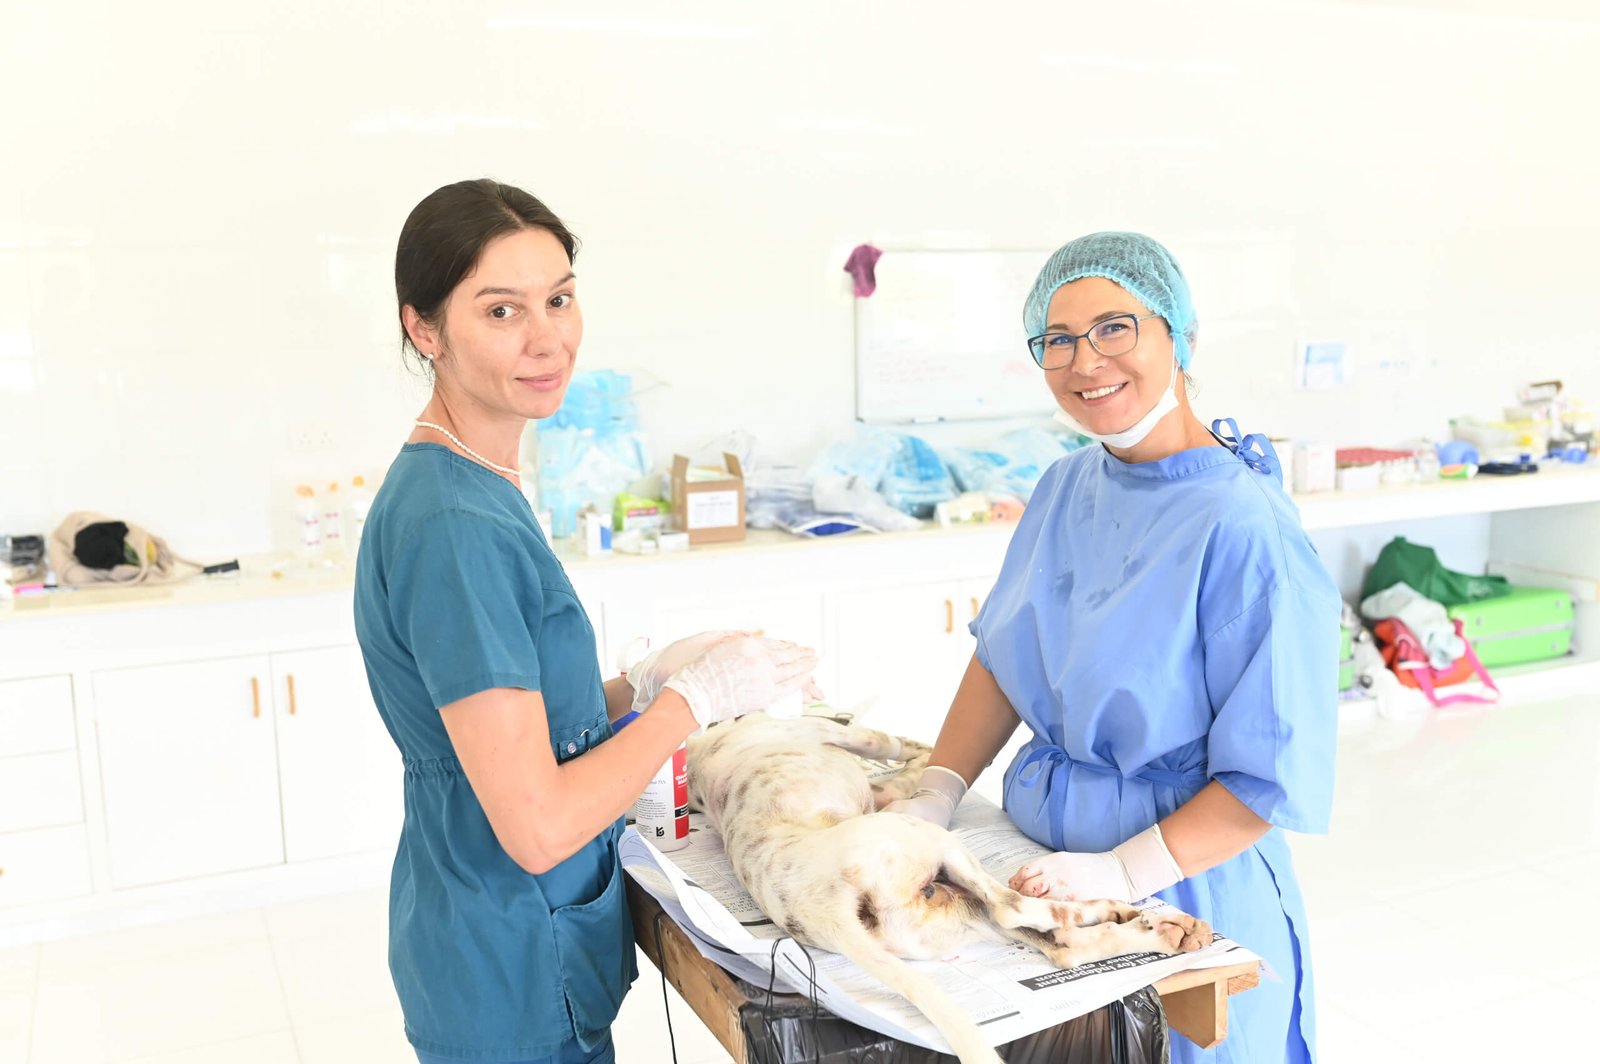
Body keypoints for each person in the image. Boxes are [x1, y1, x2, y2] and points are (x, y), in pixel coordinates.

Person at [353, 178, 819, 1064]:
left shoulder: (474, 481)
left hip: (495, 935)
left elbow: (517, 724)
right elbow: (537, 825)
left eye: (560, 299)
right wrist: (691, 702)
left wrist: (641, 684)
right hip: (509, 959)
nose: (547, 339)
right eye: (501, 311)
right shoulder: (455, 525)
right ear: (425, 329)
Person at [886, 232, 1340, 1063]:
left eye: (1114, 327)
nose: (1085, 360)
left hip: (1180, 885)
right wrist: (934, 794)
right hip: (1044, 880)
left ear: (1179, 333)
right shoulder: (1067, 485)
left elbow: (1266, 777)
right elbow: (1006, 658)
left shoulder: (1244, 527)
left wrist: (1124, 873)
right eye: (1057, 339)